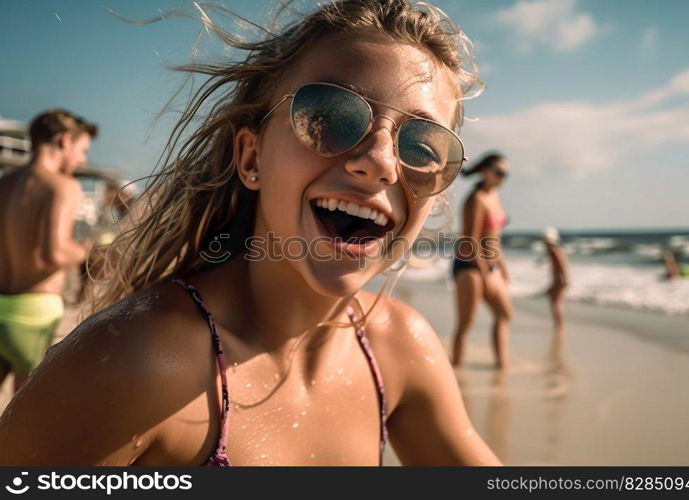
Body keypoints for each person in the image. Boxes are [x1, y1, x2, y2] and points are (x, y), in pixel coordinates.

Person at [0, 0, 501, 466]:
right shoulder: (137, 361)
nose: (379, 162)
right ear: (251, 156)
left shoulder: (398, 346)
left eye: (424, 145)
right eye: (330, 117)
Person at [0, 109, 96, 395]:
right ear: (65, 140)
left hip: (2, 304)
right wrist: (86, 249)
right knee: (20, 417)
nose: (82, 160)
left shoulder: (4, 183)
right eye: (82, 150)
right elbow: (53, 254)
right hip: (34, 313)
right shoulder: (61, 186)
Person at [451, 153, 511, 370]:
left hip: (490, 265)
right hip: (470, 266)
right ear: (486, 171)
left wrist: (502, 266)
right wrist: (485, 274)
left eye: (506, 174)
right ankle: (455, 370)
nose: (502, 178)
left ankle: (501, 366)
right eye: (499, 173)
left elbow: (494, 238)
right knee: (466, 325)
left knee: (504, 314)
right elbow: (470, 241)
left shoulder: (494, 195)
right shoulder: (474, 200)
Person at [542, 227, 569, 331]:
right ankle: (558, 324)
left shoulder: (554, 250)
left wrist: (566, 279)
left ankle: (560, 325)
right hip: (556, 280)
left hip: (559, 280)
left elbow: (563, 264)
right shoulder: (552, 250)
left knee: (556, 303)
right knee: (553, 300)